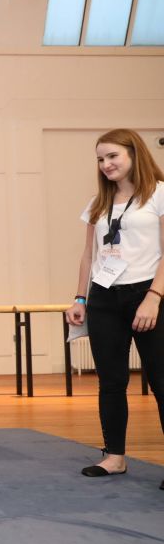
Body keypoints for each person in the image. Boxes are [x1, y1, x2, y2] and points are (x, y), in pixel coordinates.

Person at [65, 129, 164, 488]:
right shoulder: (99, 203)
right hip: (105, 296)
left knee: (160, 380)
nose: (106, 164)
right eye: (100, 159)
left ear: (134, 154)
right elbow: (89, 255)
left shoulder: (159, 195)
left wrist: (154, 296)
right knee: (111, 382)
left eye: (112, 156)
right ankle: (115, 457)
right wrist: (80, 299)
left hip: (148, 293)